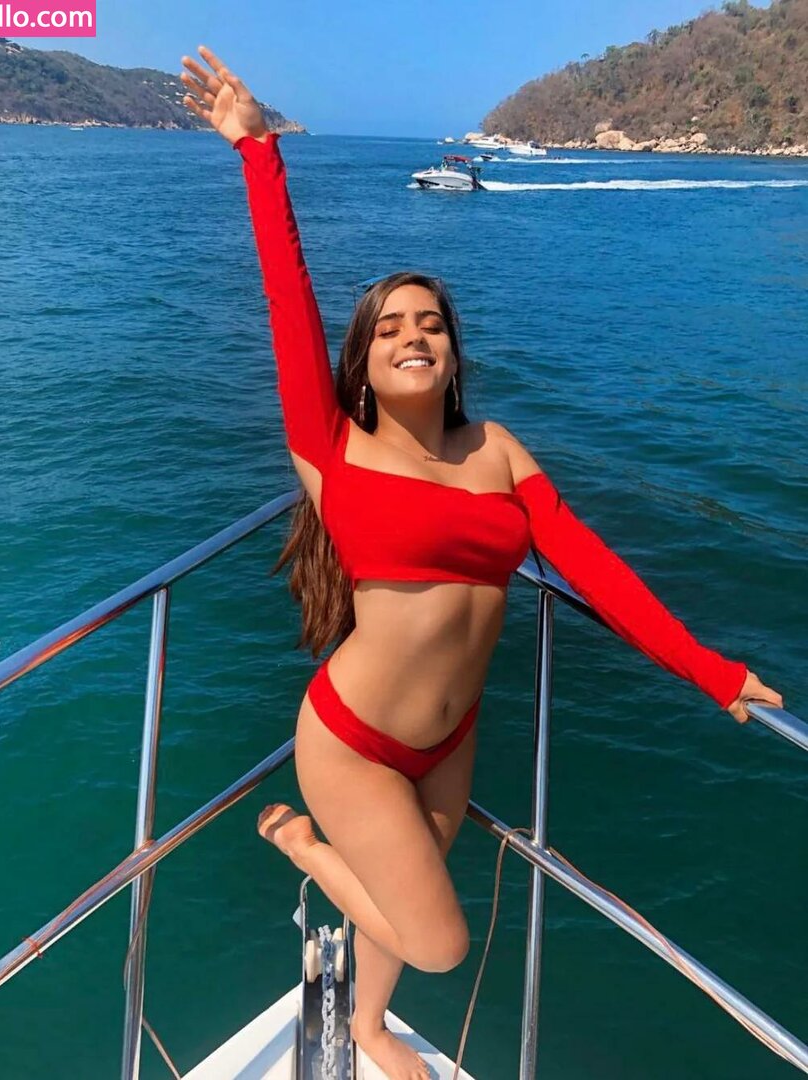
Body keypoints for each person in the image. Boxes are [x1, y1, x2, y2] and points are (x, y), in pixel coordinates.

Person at [181, 46, 783, 1080]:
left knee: (405, 894)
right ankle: (306, 847)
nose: (414, 335)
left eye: (432, 324)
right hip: (353, 741)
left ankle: (369, 1025)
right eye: (390, 328)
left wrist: (710, 671)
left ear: (453, 351)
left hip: (451, 735)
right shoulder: (330, 447)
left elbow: (594, 567)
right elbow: (287, 291)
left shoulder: (498, 450)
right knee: (438, 940)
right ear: (362, 362)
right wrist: (257, 151)